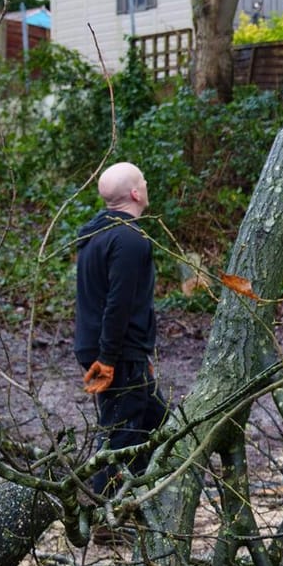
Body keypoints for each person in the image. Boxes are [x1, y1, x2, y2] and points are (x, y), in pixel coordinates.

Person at [74, 161, 168, 504]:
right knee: (122, 435)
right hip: (112, 352)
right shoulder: (130, 240)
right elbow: (118, 304)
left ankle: (143, 501)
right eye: (143, 179)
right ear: (135, 192)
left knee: (159, 424)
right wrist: (111, 358)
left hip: (112, 348)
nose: (146, 184)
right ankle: (107, 517)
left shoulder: (97, 232)